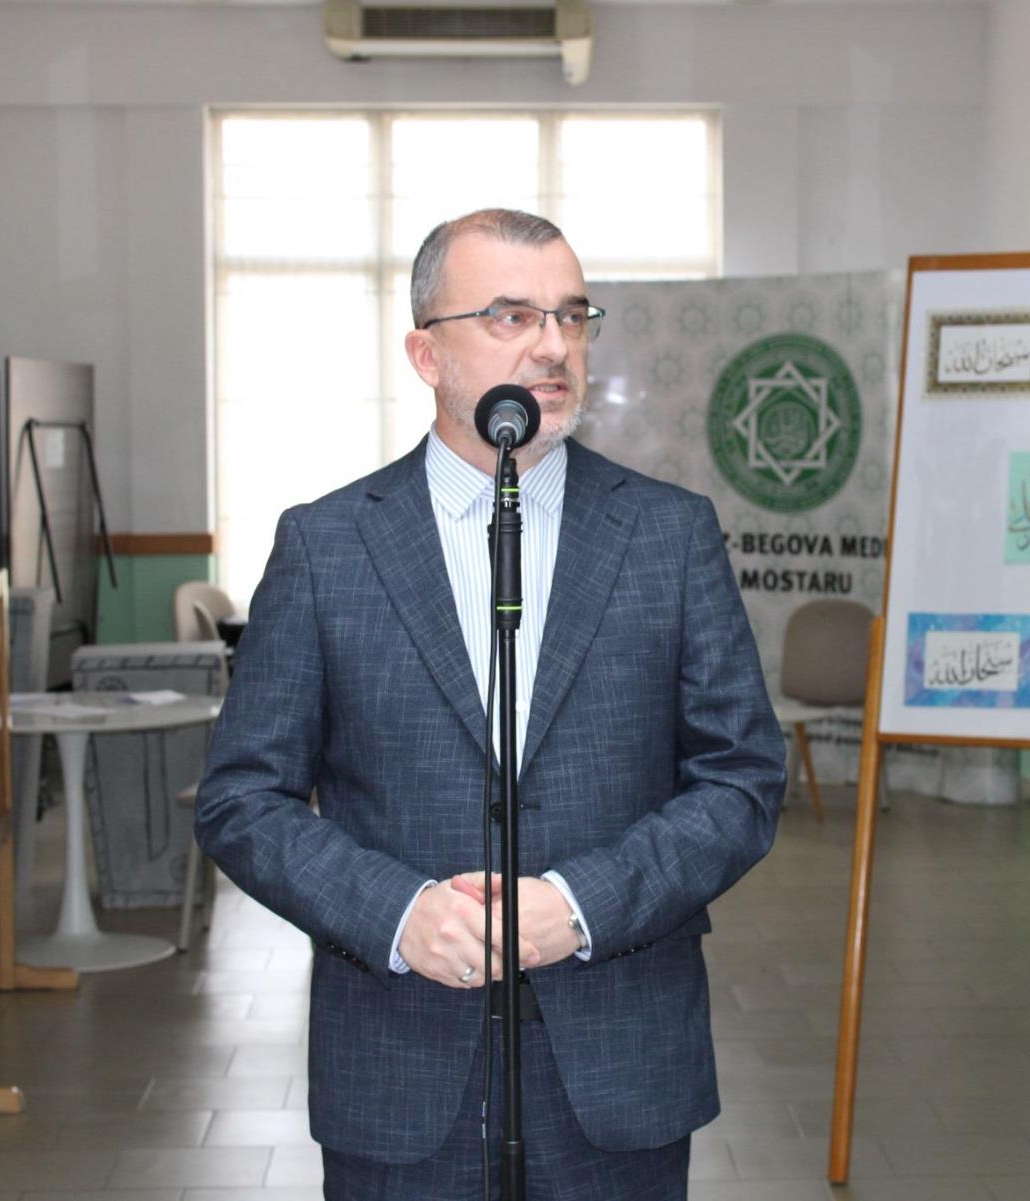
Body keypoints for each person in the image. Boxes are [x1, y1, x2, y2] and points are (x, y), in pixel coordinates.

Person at [196, 208, 785, 1199]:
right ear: (427, 354)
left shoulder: (669, 535)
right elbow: (241, 799)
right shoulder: (327, 546)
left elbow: (742, 782)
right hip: (400, 1066)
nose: (553, 345)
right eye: (511, 316)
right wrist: (395, 913)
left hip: (620, 1065)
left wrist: (582, 906)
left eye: (571, 316)